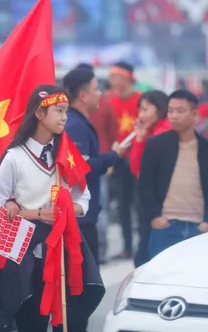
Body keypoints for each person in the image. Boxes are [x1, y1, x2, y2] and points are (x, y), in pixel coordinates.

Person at [0, 84, 104, 332]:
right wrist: (34, 214)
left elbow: (84, 198)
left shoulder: (66, 154)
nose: (64, 118)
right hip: (28, 255)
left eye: (66, 111)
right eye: (59, 111)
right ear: (39, 114)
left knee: (72, 320)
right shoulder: (15, 157)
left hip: (65, 250)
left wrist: (68, 210)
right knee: (32, 322)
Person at [138, 90, 208, 259]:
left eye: (180, 111)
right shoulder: (156, 145)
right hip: (165, 226)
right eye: (170, 111)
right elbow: (145, 185)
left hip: (198, 227)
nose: (174, 116)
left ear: (195, 114)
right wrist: (155, 216)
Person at [63, 68, 125, 267]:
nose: (100, 94)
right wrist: (113, 156)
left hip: (82, 215)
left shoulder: (78, 122)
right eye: (96, 89)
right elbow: (82, 167)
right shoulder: (75, 126)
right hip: (79, 217)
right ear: (82, 95)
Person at [127, 90, 170, 266]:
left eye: (145, 109)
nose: (141, 115)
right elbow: (137, 169)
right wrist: (140, 139)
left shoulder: (165, 131)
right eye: (140, 110)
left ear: (160, 108)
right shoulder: (150, 132)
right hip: (148, 198)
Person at [107, 61, 141, 259]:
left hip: (137, 160)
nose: (112, 80)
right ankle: (127, 246)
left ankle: (141, 243)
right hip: (118, 160)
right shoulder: (110, 102)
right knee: (122, 206)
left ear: (127, 77)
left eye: (116, 76)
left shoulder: (140, 100)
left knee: (139, 204)